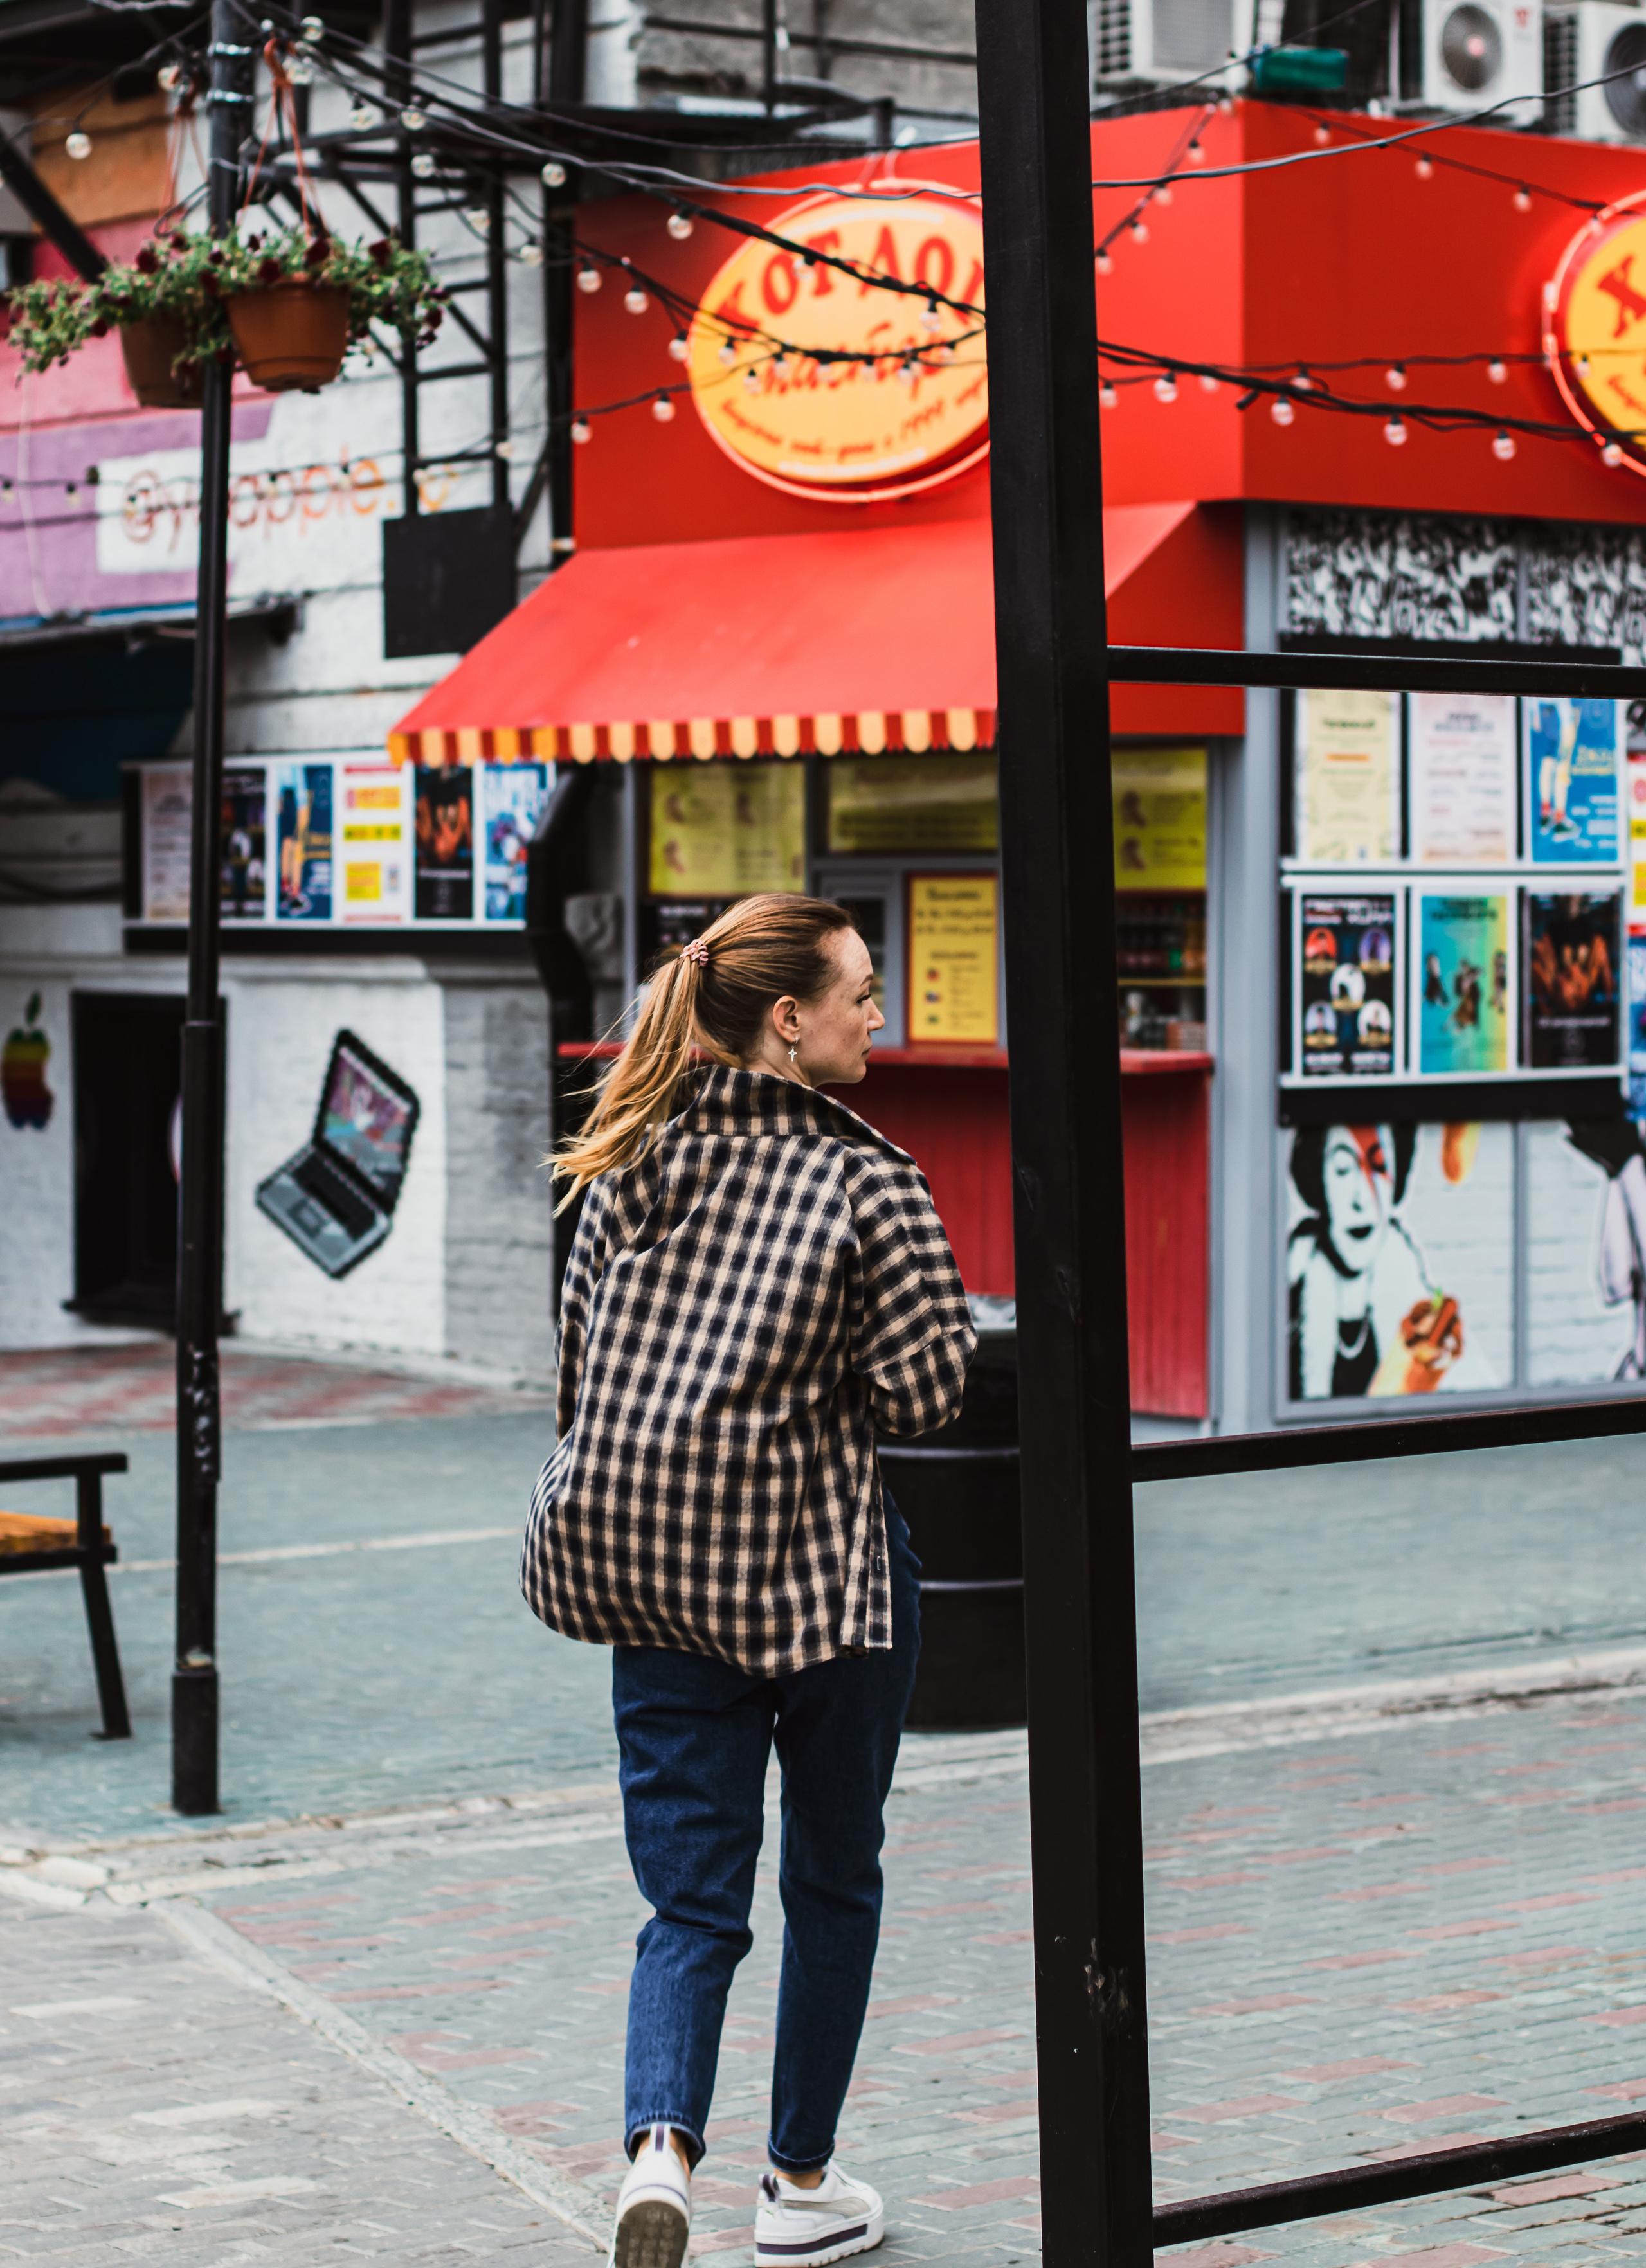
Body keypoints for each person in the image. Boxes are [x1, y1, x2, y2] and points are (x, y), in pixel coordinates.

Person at [521, 892, 975, 2268]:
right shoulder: (867, 1180)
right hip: (825, 1583)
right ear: (790, 1019)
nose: (876, 1012)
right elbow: (927, 1390)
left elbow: (580, 1372)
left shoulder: (626, 1165)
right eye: (858, 990)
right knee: (832, 1879)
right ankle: (797, 2186)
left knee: (689, 1903)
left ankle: (658, 2148)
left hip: (655, 1581)